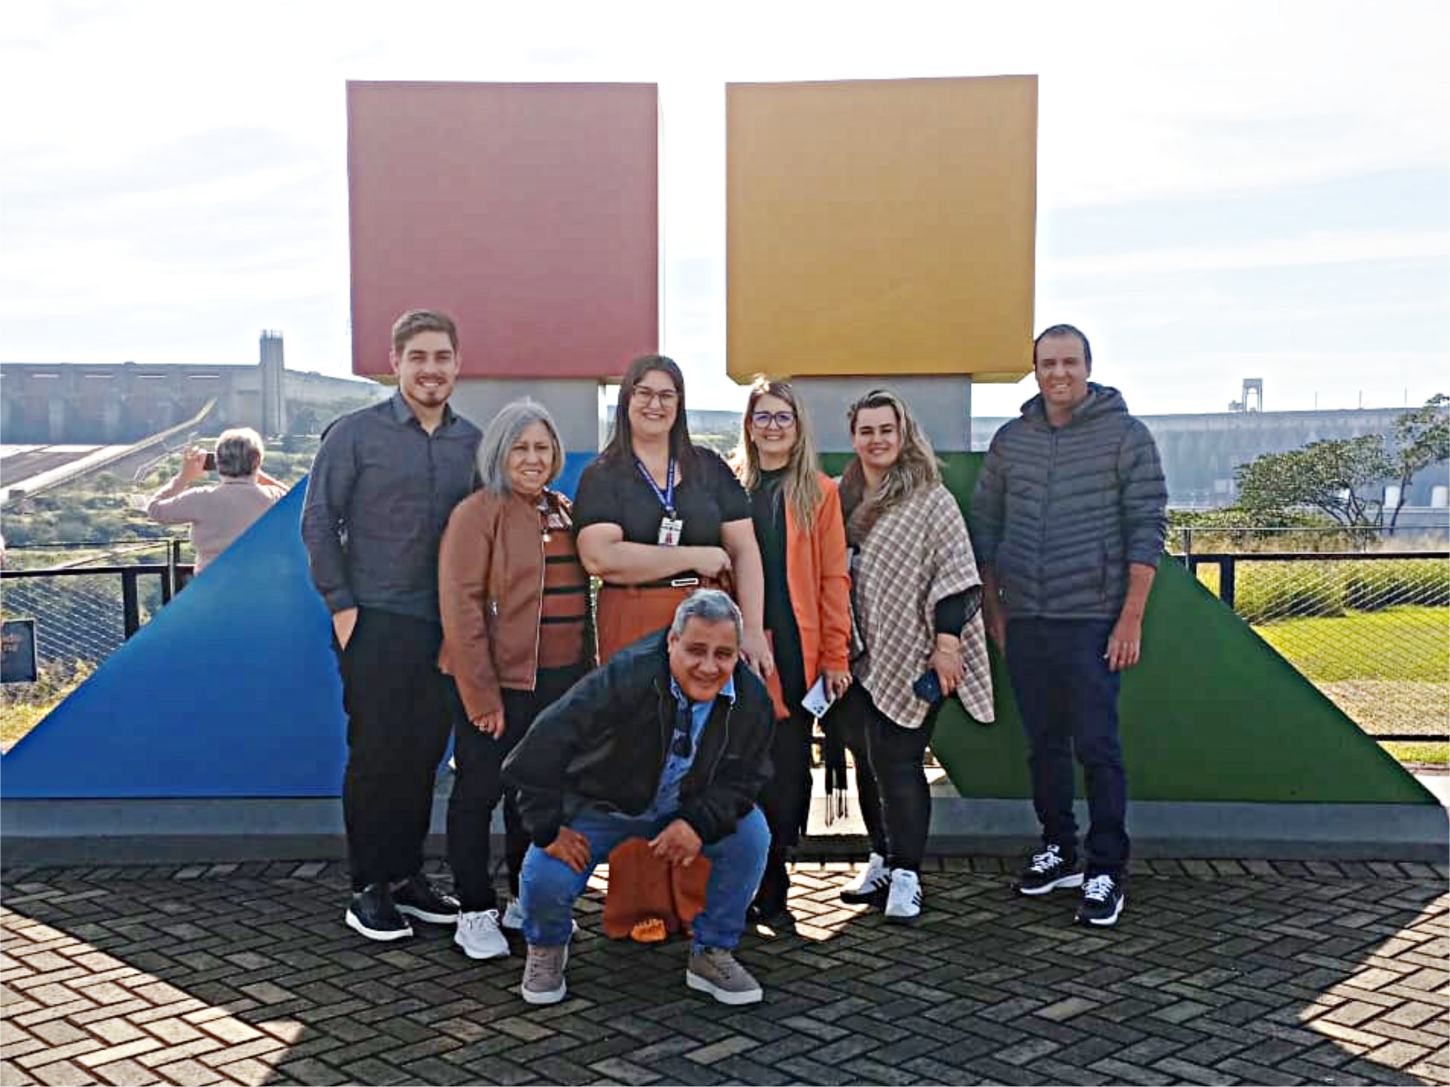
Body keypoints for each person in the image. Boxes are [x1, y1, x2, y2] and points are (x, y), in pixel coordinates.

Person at [971, 323, 1166, 928]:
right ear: (1034, 370)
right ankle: (1061, 849)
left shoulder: (1126, 436)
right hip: (1027, 620)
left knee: (1098, 747)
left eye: (1069, 362)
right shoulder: (1012, 441)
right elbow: (986, 531)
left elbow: (1147, 526)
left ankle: (1108, 866)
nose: (1058, 373)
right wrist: (997, 615)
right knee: (1044, 747)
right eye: (1047, 363)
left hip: (1093, 620)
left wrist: (1129, 617)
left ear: (1088, 365)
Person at [572, 354, 772, 940]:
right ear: (626, 402)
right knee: (641, 756)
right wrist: (690, 556)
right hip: (634, 618)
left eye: (667, 394)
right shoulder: (605, 473)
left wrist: (753, 632)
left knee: (704, 754)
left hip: (709, 627)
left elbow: (746, 553)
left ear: (680, 403)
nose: (655, 404)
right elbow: (600, 556)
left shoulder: (708, 468)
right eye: (643, 393)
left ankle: (700, 905)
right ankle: (642, 908)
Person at [301, 309, 483, 942]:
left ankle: (407, 877)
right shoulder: (354, 435)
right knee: (376, 758)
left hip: (445, 629)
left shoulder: (473, 442)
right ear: (396, 364)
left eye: (442, 357)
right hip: (375, 620)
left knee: (424, 757)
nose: (431, 369)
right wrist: (343, 609)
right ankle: (369, 887)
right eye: (418, 358)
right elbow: (319, 523)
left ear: (458, 364)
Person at [501, 590, 773, 1006]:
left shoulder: (752, 700)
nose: (709, 666)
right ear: (671, 642)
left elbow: (746, 777)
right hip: (603, 805)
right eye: (696, 650)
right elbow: (536, 750)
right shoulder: (626, 676)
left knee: (752, 837)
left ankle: (712, 951)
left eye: (724, 654)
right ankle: (548, 947)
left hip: (685, 805)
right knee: (544, 873)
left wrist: (698, 823)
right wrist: (548, 828)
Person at [438, 399, 594, 960]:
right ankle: (474, 909)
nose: (532, 458)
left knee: (535, 796)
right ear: (499, 453)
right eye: (521, 447)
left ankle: (523, 902)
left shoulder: (565, 509)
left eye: (542, 447)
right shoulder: (476, 513)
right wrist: (481, 696)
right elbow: (461, 609)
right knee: (479, 792)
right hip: (497, 685)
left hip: (558, 683)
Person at [833, 388, 993, 923]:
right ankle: (879, 857)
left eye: (886, 430)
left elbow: (957, 575)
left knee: (900, 762)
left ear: (903, 436)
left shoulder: (930, 498)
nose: (876, 440)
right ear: (853, 438)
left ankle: (908, 873)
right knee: (865, 758)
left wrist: (946, 645)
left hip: (917, 651)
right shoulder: (843, 497)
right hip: (856, 652)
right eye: (866, 431)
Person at [728, 377, 851, 921]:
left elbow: (834, 580)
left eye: (783, 417)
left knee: (787, 768)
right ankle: (747, 875)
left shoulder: (820, 493)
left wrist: (836, 657)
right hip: (733, 649)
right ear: (748, 426)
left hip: (796, 652)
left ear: (798, 427)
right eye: (762, 417)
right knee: (739, 766)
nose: (772, 426)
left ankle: (776, 877)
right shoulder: (729, 487)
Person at [145, 428, 287, 572]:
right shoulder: (271, 497)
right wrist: (255, 470)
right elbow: (296, 499)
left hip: (210, 587)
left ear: (217, 461)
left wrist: (184, 477)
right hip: (258, 586)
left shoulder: (200, 498)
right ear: (257, 460)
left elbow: (155, 510)